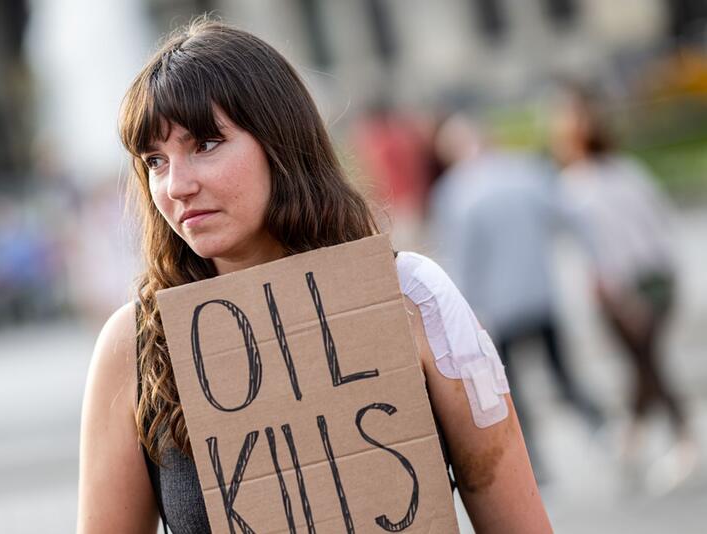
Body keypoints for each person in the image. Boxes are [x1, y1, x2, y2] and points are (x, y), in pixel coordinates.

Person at [78, 19, 551, 533]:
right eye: (155, 160)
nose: (176, 185)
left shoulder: (413, 297)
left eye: (205, 145)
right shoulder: (135, 345)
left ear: (279, 140)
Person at [430, 114, 605, 480]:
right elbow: (570, 216)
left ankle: (532, 462)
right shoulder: (525, 172)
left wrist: (463, 314)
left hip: (497, 309)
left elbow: (461, 262)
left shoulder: (455, 194)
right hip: (540, 294)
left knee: (511, 389)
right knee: (562, 373)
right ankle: (600, 427)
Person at [550, 83, 697, 490]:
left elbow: (604, 250)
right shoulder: (628, 170)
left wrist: (621, 299)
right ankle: (634, 439)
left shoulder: (575, 186)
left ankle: (677, 440)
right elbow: (660, 223)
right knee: (643, 361)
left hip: (623, 289)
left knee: (646, 362)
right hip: (659, 278)